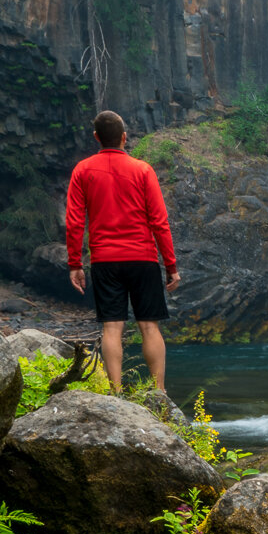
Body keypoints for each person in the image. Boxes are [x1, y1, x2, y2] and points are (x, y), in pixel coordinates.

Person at [66, 110, 181, 393]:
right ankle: (159, 392)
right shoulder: (143, 170)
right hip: (143, 259)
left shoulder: (83, 170)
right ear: (124, 138)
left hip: (105, 260)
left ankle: (116, 392)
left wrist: (75, 263)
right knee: (149, 326)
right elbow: (159, 221)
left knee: (112, 328)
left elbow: (74, 220)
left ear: (96, 138)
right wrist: (171, 265)